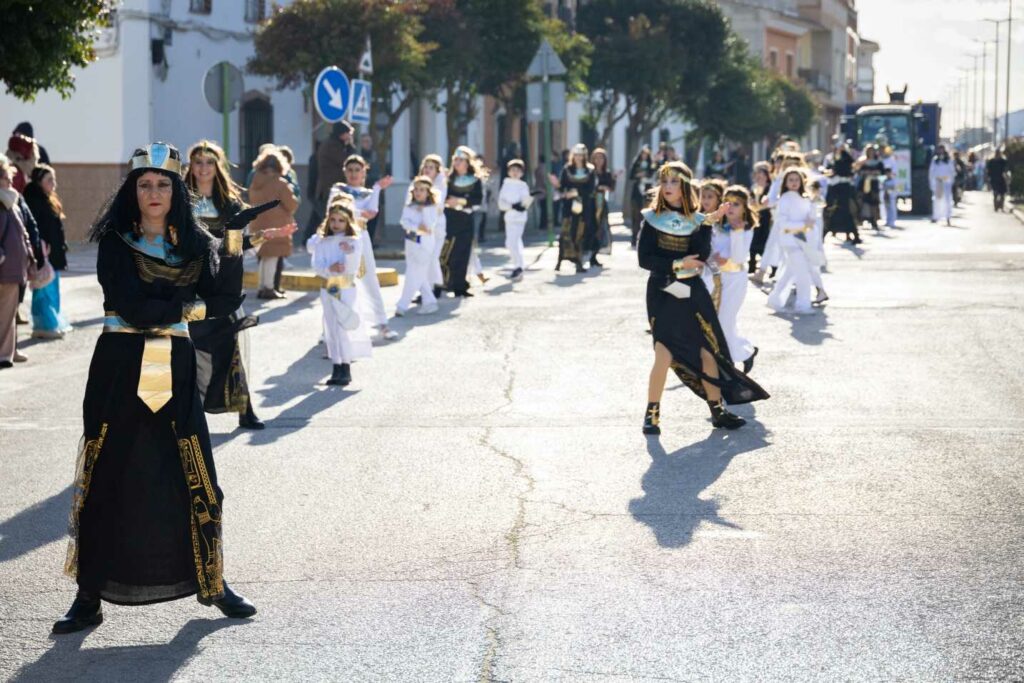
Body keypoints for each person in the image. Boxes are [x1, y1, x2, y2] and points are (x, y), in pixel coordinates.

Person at [53, 143, 258, 635]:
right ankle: (88, 596)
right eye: (145, 184)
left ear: (176, 190)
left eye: (163, 184)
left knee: (199, 475)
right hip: (120, 368)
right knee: (106, 478)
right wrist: (187, 302)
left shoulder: (196, 243)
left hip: (178, 369)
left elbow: (225, 298)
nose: (154, 192)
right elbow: (136, 308)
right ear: (132, 190)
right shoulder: (116, 244)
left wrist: (230, 241)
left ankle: (213, 582)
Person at [638, 161, 768, 436]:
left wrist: (708, 224)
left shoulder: (698, 221)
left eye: (674, 182)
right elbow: (644, 259)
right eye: (665, 182)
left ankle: (717, 410)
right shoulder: (651, 218)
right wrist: (677, 263)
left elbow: (700, 257)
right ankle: (652, 414)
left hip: (692, 293)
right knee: (663, 353)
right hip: (662, 291)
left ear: (685, 186)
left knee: (707, 351)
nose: (668, 187)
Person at [185, 140, 292, 430]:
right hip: (187, 282)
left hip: (221, 284)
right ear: (191, 166)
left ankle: (245, 409)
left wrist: (264, 236)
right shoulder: (180, 200)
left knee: (230, 344)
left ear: (218, 166)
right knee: (186, 348)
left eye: (209, 162)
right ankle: (184, 413)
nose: (204, 168)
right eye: (198, 162)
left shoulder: (229, 204)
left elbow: (233, 245)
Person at [328, 155, 398, 340]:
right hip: (338, 238)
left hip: (360, 238)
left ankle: (381, 322)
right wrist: (358, 213)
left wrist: (377, 189)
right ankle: (331, 327)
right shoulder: (338, 189)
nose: (353, 174)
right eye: (350, 170)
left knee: (368, 278)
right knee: (337, 279)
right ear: (345, 172)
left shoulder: (368, 192)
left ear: (364, 172)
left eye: (357, 170)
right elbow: (333, 209)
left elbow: (372, 212)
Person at [310, 197, 373, 386]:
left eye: (341, 220)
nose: (336, 224)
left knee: (342, 326)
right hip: (327, 286)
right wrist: (329, 269)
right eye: (333, 220)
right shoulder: (323, 241)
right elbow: (316, 264)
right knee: (330, 327)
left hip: (344, 287)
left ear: (348, 222)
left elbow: (353, 266)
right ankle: (336, 366)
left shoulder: (353, 240)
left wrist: (348, 254)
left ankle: (346, 366)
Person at [704, 185, 759, 373]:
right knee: (718, 321)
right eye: (728, 203)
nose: (732, 208)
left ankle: (732, 359)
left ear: (744, 207)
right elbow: (709, 250)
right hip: (716, 278)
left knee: (725, 321)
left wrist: (737, 233)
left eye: (737, 204)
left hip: (735, 280)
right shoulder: (716, 226)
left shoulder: (746, 229)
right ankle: (743, 352)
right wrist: (713, 258)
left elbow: (738, 257)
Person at [23, 164, 72, 339]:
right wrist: (41, 247)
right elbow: (35, 227)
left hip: (52, 253)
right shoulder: (34, 201)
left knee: (50, 287)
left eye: (54, 179)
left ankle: (50, 323)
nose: (54, 183)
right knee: (44, 289)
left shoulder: (47, 199)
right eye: (49, 180)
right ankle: (45, 325)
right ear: (39, 182)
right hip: (43, 253)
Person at [767, 169, 819, 315]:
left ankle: (774, 300)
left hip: (803, 240)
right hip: (790, 241)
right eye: (791, 180)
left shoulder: (804, 197)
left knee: (789, 272)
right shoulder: (784, 198)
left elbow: (810, 218)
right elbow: (782, 223)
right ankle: (803, 305)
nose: (794, 182)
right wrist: (803, 225)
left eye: (797, 179)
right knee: (802, 274)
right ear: (785, 182)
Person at [248, 148, 298, 299]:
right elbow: (292, 204)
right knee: (273, 257)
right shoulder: (281, 184)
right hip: (277, 224)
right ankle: (269, 288)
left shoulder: (255, 182)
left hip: (257, 223)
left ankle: (262, 286)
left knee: (264, 256)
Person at [440, 146, 485, 298]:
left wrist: (459, 201)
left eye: (460, 160)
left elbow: (477, 201)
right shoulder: (448, 179)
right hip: (449, 219)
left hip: (465, 220)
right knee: (447, 253)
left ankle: (460, 286)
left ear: (467, 163)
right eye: (455, 160)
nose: (457, 163)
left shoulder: (475, 181)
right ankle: (443, 283)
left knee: (462, 253)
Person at [0, 159, 31, 368]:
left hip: (14, 270)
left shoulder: (12, 203)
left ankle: (7, 353)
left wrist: (30, 254)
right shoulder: (4, 205)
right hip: (6, 269)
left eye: (10, 177)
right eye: (5, 177)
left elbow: (23, 233)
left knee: (9, 314)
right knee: (5, 314)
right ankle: (4, 355)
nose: (9, 181)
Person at [396, 176, 441, 316]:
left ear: (428, 192)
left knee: (412, 274)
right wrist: (416, 227)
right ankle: (430, 302)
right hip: (410, 242)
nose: (418, 192)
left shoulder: (432, 208)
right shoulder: (409, 207)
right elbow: (404, 222)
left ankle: (402, 305)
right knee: (417, 274)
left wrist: (423, 212)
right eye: (416, 189)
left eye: (422, 190)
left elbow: (429, 227)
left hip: (425, 244)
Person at [555, 143, 598, 273]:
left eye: (581, 155)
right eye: (577, 155)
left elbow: (590, 189)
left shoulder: (590, 170)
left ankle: (578, 261)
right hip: (569, 207)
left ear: (585, 156)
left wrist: (576, 192)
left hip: (584, 207)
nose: (579, 157)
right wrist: (559, 187)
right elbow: (562, 187)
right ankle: (560, 260)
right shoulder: (567, 169)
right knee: (565, 232)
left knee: (579, 234)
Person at [311, 121, 357, 240]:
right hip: (330, 188)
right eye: (348, 133)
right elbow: (347, 161)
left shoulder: (333, 144)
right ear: (342, 133)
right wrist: (350, 146)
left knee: (318, 217)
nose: (350, 136)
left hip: (328, 186)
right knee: (328, 216)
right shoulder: (333, 145)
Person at [497, 159, 532, 282]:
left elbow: (525, 201)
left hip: (519, 219)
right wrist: (511, 206)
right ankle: (519, 265)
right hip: (509, 217)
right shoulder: (505, 184)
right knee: (512, 242)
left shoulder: (523, 185)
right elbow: (501, 203)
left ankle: (518, 266)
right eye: (512, 170)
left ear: (522, 173)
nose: (515, 173)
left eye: (517, 170)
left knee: (513, 241)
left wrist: (521, 205)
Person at [418, 154, 448, 297]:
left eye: (431, 167)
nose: (428, 170)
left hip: (437, 227)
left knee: (432, 257)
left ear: (437, 170)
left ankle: (434, 287)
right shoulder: (418, 185)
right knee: (423, 259)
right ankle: (428, 289)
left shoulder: (441, 186)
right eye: (426, 167)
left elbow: (438, 205)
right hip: (421, 227)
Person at [823, 141, 859, 244]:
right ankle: (852, 234)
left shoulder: (846, 158)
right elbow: (828, 170)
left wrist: (835, 172)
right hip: (834, 187)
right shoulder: (831, 158)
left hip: (843, 187)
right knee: (832, 210)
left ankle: (854, 234)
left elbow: (846, 171)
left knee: (844, 211)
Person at [748, 161, 773, 274]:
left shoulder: (771, 188)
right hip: (755, 216)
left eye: (761, 173)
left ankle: (772, 267)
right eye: (757, 173)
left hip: (767, 217)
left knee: (766, 241)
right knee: (753, 241)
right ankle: (752, 263)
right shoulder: (754, 187)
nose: (758, 176)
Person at [591, 148, 616, 260]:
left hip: (602, 202)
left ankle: (598, 250)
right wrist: (599, 187)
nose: (599, 160)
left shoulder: (607, 173)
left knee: (602, 225)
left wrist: (613, 181)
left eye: (601, 158)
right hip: (591, 203)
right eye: (596, 158)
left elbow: (611, 187)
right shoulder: (590, 172)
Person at [629, 146, 656, 248]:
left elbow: (652, 172)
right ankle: (634, 238)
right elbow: (631, 176)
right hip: (637, 192)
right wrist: (639, 174)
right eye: (642, 154)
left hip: (647, 191)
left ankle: (645, 238)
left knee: (646, 215)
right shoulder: (636, 164)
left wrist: (646, 173)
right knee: (635, 216)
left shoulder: (651, 164)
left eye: (646, 154)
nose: (644, 156)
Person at [855, 144, 884, 231]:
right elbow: (858, 171)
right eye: (869, 151)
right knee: (862, 203)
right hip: (863, 184)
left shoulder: (878, 162)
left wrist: (875, 173)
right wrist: (865, 172)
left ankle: (874, 220)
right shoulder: (862, 161)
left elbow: (882, 173)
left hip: (874, 184)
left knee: (874, 203)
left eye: (872, 151)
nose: (871, 153)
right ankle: (862, 220)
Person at [929, 146, 954, 226]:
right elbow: (931, 172)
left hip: (946, 182)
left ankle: (948, 217)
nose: (941, 151)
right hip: (938, 182)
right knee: (936, 200)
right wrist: (932, 183)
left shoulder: (948, 160)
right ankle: (936, 216)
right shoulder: (935, 160)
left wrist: (950, 181)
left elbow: (952, 171)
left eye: (942, 149)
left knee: (947, 200)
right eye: (939, 149)